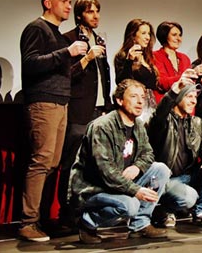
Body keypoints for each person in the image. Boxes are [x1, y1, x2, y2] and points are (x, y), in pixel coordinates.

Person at [18, 0, 88, 242]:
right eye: (64, 1)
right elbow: (31, 63)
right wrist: (66, 53)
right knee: (42, 161)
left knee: (53, 163)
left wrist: (82, 60)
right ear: (48, 3)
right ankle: (28, 222)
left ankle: (42, 219)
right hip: (43, 102)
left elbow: (62, 69)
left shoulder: (58, 35)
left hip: (61, 102)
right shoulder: (37, 28)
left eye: (70, 2)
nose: (69, 6)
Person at [69, 79, 171, 244]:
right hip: (94, 189)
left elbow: (148, 154)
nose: (140, 101)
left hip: (120, 182)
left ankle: (140, 224)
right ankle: (87, 222)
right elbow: (106, 171)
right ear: (119, 100)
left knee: (161, 170)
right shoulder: (102, 126)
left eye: (142, 97)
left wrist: (137, 167)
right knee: (130, 205)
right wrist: (136, 190)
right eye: (133, 96)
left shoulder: (138, 125)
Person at [58, 0, 113, 228]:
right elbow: (65, 76)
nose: (96, 16)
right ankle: (66, 213)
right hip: (79, 111)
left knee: (95, 164)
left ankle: (87, 212)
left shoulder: (99, 39)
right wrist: (87, 58)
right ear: (80, 14)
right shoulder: (68, 39)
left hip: (99, 109)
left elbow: (105, 77)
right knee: (71, 164)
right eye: (91, 11)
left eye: (97, 11)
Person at [147, 69, 202, 228]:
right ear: (179, 97)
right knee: (189, 197)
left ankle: (201, 212)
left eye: (195, 97)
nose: (194, 101)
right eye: (189, 96)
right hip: (167, 179)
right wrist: (175, 89)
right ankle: (162, 210)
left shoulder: (196, 122)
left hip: (189, 175)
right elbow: (158, 114)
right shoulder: (164, 121)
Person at [114, 19, 158, 122]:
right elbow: (121, 82)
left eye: (149, 34)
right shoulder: (123, 56)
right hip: (134, 106)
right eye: (143, 33)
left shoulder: (148, 57)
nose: (147, 37)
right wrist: (129, 60)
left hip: (150, 106)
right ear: (133, 36)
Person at [153, 21, 191, 103]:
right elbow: (161, 82)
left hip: (184, 103)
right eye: (174, 35)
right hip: (165, 103)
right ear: (164, 36)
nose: (179, 39)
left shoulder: (185, 58)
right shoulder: (155, 56)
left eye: (180, 35)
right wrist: (183, 78)